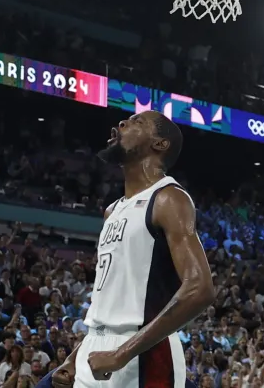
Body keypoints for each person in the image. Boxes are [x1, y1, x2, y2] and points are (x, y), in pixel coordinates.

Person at [51, 111, 215, 388]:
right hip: (96, 347)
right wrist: (74, 357)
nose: (122, 123)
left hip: (144, 356)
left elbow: (201, 289)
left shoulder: (168, 199)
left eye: (137, 121)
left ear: (160, 144)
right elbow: (112, 305)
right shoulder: (112, 211)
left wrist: (121, 354)